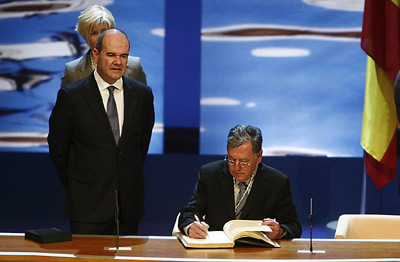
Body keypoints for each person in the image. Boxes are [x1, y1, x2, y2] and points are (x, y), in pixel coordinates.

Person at [48, 28, 154, 235]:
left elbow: (141, 147)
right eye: (111, 55)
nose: (118, 62)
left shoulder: (142, 95)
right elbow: (58, 150)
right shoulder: (72, 97)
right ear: (96, 55)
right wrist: (80, 184)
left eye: (124, 56)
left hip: (128, 208)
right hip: (87, 207)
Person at [178, 125, 302, 239]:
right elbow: (189, 213)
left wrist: (280, 231)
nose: (236, 167)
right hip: (216, 252)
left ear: (258, 157)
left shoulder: (277, 182)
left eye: (244, 161)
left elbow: (293, 226)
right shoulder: (210, 174)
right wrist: (190, 227)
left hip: (256, 254)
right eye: (231, 160)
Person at [61, 5, 147, 88]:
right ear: (85, 36)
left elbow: (143, 100)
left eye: (104, 31)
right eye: (94, 33)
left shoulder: (134, 66)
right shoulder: (73, 71)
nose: (100, 37)